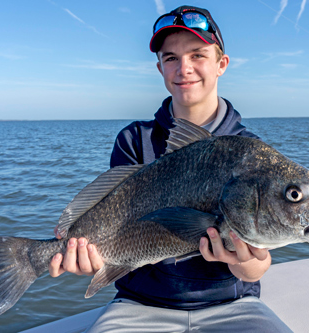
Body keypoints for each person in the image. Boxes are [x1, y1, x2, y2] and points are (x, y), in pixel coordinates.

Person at [49, 5, 292, 332]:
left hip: (231, 304)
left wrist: (246, 260)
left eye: (198, 55)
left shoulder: (249, 152)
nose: (184, 68)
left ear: (222, 64)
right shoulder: (134, 139)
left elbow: (256, 269)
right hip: (139, 303)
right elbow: (114, 216)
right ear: (160, 67)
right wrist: (83, 253)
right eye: (171, 58)